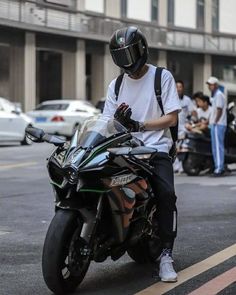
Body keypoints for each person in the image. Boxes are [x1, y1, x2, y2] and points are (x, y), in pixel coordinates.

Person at [103, 26, 181, 282]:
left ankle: (166, 255)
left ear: (142, 50)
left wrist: (141, 125)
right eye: (121, 56)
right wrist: (118, 121)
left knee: (166, 194)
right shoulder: (115, 85)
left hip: (154, 148)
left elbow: (171, 118)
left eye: (130, 54)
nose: (127, 61)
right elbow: (105, 122)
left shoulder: (162, 77)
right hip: (124, 148)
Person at [174, 81, 196, 173]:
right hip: (174, 126)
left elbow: (193, 112)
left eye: (180, 87)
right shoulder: (171, 98)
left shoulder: (187, 100)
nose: (178, 88)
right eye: (177, 87)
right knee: (174, 147)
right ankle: (175, 166)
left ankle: (181, 166)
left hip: (183, 127)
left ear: (183, 88)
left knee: (182, 146)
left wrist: (192, 121)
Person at [206, 76, 227, 176]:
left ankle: (219, 168)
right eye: (209, 84)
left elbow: (219, 109)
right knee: (215, 147)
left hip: (218, 124)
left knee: (218, 147)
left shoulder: (219, 95)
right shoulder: (215, 95)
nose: (209, 86)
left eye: (211, 84)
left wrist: (215, 121)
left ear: (216, 85)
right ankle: (217, 166)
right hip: (216, 124)